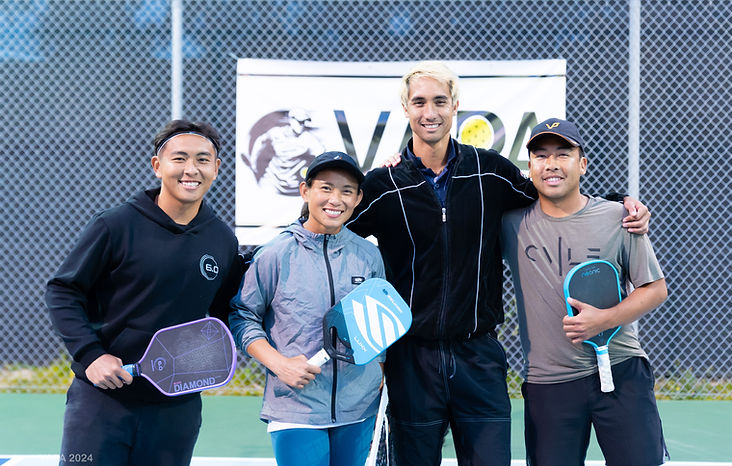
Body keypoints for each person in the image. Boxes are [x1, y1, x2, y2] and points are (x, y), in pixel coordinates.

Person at [346, 61, 651, 466]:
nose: (429, 111)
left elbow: (551, 194)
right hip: (412, 360)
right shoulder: (383, 185)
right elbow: (330, 222)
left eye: (439, 100)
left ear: (455, 105)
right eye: (419, 102)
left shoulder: (489, 170)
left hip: (478, 357)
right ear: (405, 108)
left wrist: (617, 202)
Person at [45, 120, 243, 466]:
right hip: (102, 400)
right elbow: (63, 290)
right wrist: (91, 356)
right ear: (157, 166)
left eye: (202, 160)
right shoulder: (115, 224)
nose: (191, 170)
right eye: (179, 159)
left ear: (216, 169)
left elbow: (223, 314)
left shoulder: (222, 240)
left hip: (176, 407)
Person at [500, 118, 669, 466]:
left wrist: (605, 320)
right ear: (529, 167)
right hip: (549, 383)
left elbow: (655, 288)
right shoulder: (509, 223)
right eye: (541, 155)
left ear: (582, 165)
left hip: (621, 370)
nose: (552, 164)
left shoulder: (618, 217)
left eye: (563, 154)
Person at [229, 151, 386, 466]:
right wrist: (279, 364)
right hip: (295, 407)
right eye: (326, 188)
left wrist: (379, 375)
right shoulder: (274, 254)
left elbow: (377, 325)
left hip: (359, 407)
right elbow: (243, 316)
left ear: (358, 199)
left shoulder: (368, 255)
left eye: (346, 191)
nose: (335, 199)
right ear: (305, 191)